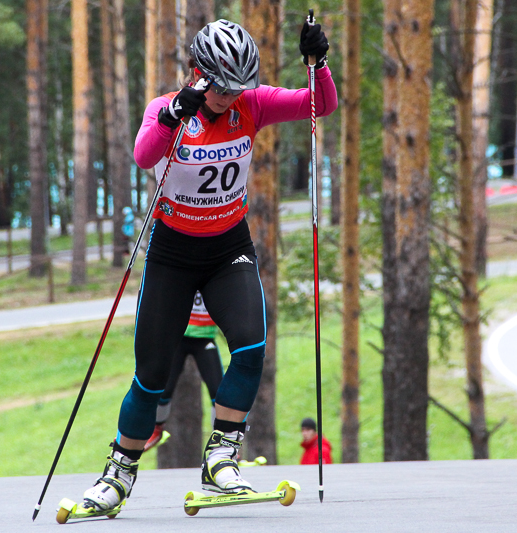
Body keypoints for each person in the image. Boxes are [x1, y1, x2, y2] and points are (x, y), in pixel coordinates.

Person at [81, 18, 337, 512]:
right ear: (198, 72)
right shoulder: (167, 108)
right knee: (151, 375)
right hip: (173, 254)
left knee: (251, 347)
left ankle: (222, 455)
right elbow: (143, 155)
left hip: (227, 249)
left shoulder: (251, 103)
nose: (229, 96)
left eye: (238, 87)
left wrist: (318, 64)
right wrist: (173, 115)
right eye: (221, 87)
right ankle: (119, 474)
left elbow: (318, 105)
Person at [143, 291, 223, 452]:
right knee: (164, 387)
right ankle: (156, 429)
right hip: (179, 336)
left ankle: (222, 439)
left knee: (219, 392)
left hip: (205, 338)